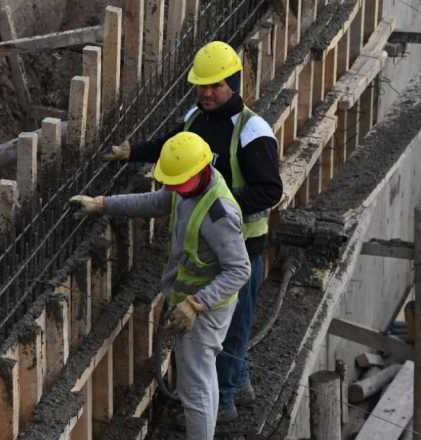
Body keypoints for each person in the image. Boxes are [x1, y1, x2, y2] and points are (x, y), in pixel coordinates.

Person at [104, 41, 282, 419]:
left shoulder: (252, 131)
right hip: (207, 245)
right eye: (201, 85)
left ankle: (227, 401)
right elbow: (173, 148)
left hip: (242, 244)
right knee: (230, 325)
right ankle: (240, 383)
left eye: (215, 85)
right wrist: (132, 151)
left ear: (233, 83)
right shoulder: (196, 117)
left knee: (234, 324)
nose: (206, 92)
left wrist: (219, 208)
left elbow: (270, 190)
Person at [71, 132, 251, 439]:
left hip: (205, 310)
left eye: (178, 182)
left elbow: (240, 269)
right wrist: (103, 204)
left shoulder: (219, 214)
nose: (173, 188)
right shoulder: (192, 184)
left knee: (194, 388)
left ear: (199, 170)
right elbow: (156, 201)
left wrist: (197, 304)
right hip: (193, 300)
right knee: (203, 379)